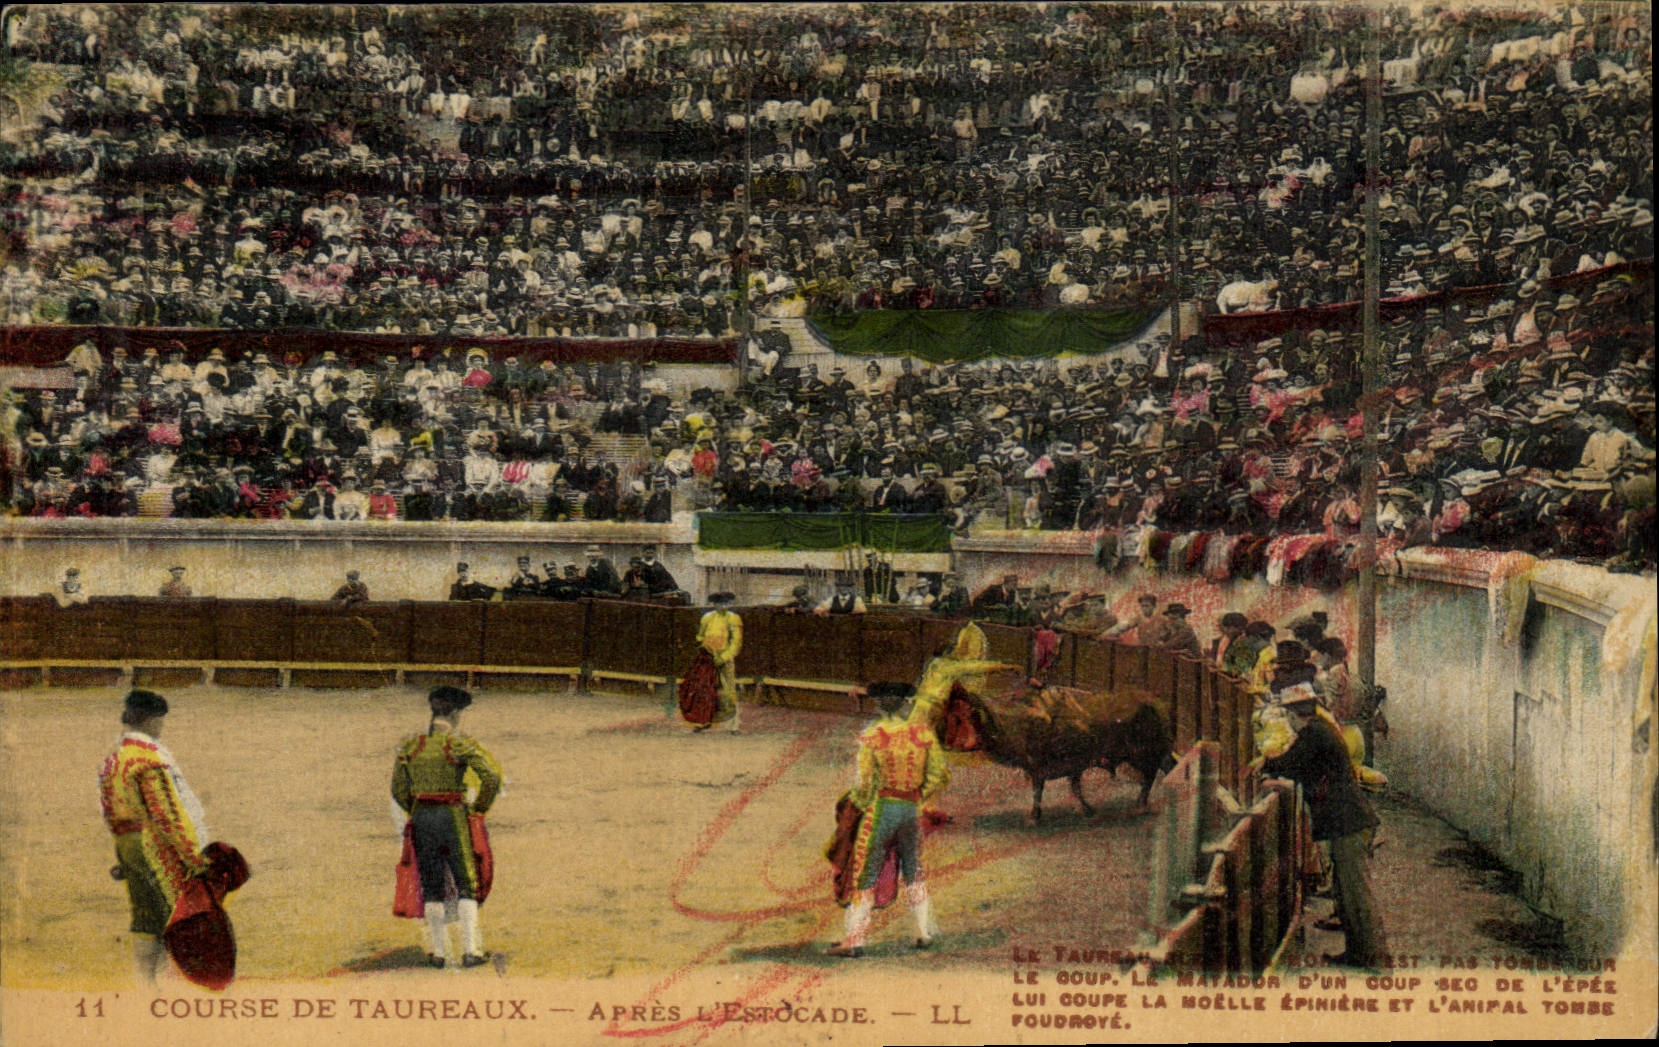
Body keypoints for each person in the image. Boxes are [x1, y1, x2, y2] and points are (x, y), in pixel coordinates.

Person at [1252, 683, 1385, 969]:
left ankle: (1374, 960)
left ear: (1292, 713)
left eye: (1288, 713)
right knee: (1346, 893)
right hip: (1347, 823)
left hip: (1349, 824)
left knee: (1356, 894)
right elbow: (1298, 767)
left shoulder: (1312, 734)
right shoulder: (1319, 731)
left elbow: (1289, 763)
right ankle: (1358, 954)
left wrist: (1264, 764)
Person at [828, 682, 949, 957]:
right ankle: (922, 932)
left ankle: (855, 940)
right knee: (914, 868)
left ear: (880, 705)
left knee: (865, 873)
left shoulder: (873, 735)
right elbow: (940, 776)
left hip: (882, 808)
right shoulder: (923, 734)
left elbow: (864, 784)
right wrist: (918, 795)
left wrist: (855, 807)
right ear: (906, 703)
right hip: (911, 810)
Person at [98, 689, 211, 985]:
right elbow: (168, 816)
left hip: (129, 845)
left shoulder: (114, 759)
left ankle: (144, 985)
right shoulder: (149, 760)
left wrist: (124, 855)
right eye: (159, 721)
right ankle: (165, 987)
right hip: (158, 849)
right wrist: (194, 857)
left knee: (145, 918)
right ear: (150, 720)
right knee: (172, 918)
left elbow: (110, 810)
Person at [391, 686, 502, 969]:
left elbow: (398, 789)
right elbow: (490, 776)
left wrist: (416, 810)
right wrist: (478, 809)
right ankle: (471, 950)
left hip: (422, 818)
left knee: (432, 885)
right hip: (452, 815)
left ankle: (439, 953)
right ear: (453, 713)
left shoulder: (410, 746)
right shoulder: (457, 743)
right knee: (467, 882)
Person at [691, 592, 743, 733]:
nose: (723, 606)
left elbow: (736, 642)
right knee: (704, 689)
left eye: (726, 603)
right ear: (714, 604)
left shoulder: (733, 618)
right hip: (708, 658)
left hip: (724, 659)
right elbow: (700, 636)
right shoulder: (707, 618)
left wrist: (723, 657)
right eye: (720, 603)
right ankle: (704, 721)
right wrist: (704, 649)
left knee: (728, 690)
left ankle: (734, 724)